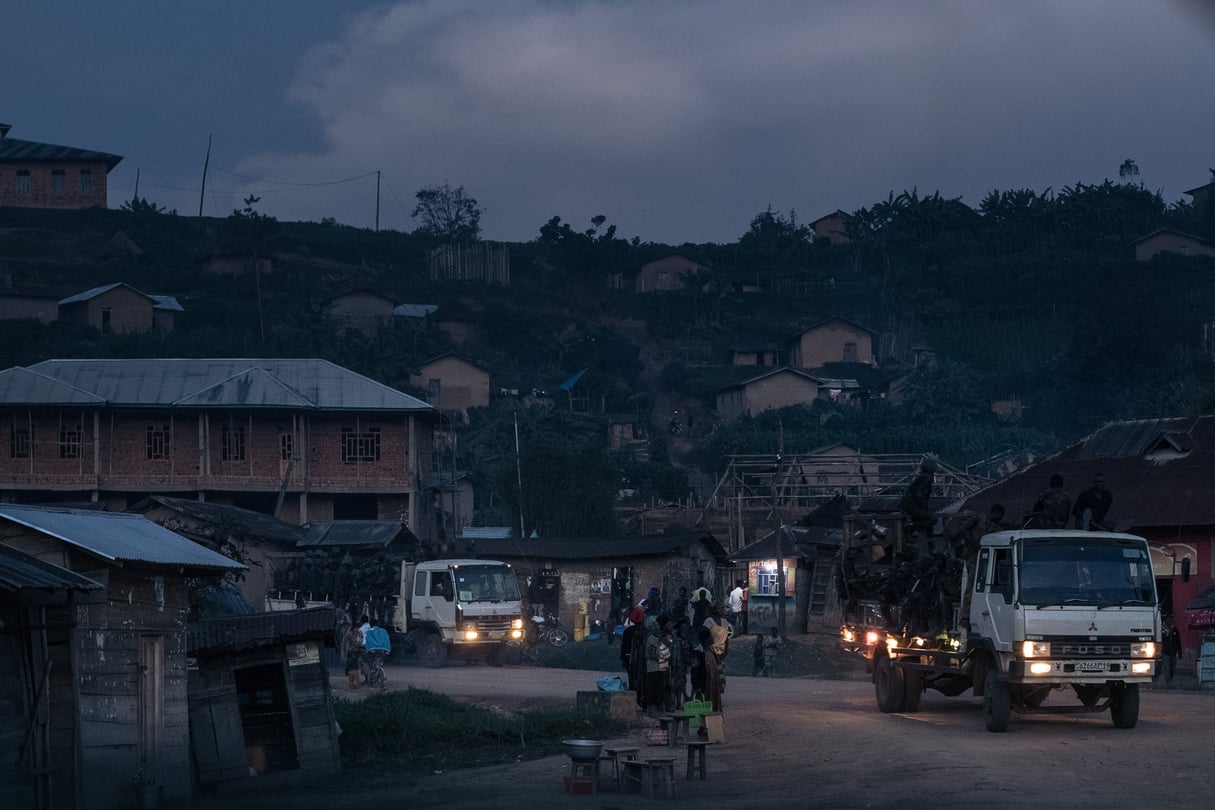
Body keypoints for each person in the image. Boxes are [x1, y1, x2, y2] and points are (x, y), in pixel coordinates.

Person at [899, 458, 938, 551]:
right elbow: (919, 495)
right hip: (911, 505)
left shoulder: (923, 476)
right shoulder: (927, 478)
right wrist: (924, 507)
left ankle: (929, 544)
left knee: (927, 517)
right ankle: (910, 529)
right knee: (932, 519)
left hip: (909, 504)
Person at [643, 615, 673, 715]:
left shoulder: (655, 639)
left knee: (658, 687)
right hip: (654, 667)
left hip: (657, 667)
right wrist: (661, 657)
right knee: (656, 688)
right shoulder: (652, 639)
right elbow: (652, 654)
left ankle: (657, 707)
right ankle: (655, 707)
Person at [343, 622, 364, 691]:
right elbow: (359, 643)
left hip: (351, 655)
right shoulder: (357, 634)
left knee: (351, 673)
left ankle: (352, 687)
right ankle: (355, 686)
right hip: (353, 654)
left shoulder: (351, 634)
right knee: (354, 672)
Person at [1162, 620, 1182, 688]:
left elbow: (1178, 642)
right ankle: (1168, 684)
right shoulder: (1162, 630)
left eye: (1171, 618)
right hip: (1165, 653)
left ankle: (1170, 681)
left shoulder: (1175, 630)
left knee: (1172, 669)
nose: (1170, 621)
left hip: (1173, 653)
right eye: (1168, 619)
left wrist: (1180, 653)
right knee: (1167, 668)